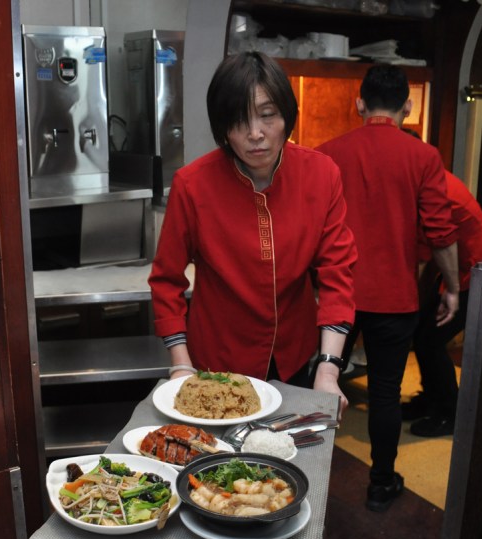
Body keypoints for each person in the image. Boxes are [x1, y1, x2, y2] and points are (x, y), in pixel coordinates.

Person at [148, 51, 357, 411]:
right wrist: (181, 364)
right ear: (222, 127)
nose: (255, 134)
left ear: (286, 115)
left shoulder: (322, 175)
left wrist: (328, 368)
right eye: (239, 120)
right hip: (218, 359)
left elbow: (337, 274)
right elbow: (166, 280)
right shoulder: (193, 185)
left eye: (267, 115)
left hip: (295, 354)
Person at [317, 64, 460, 512]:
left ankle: (308, 478)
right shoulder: (423, 156)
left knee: (319, 386)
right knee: (384, 393)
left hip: (335, 295)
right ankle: (381, 484)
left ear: (359, 103)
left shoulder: (326, 155)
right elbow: (441, 233)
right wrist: (452, 287)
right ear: (408, 106)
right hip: (395, 298)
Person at [406, 170, 482, 437]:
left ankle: (449, 413)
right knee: (423, 334)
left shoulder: (434, 190)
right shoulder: (431, 179)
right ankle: (431, 400)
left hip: (478, 273)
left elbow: (430, 248)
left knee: (430, 340)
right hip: (461, 270)